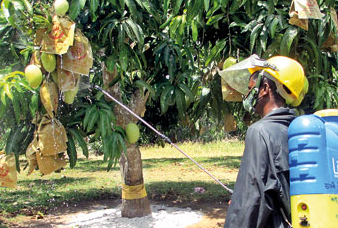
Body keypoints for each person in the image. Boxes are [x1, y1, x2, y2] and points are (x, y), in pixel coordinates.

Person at [218, 55, 308, 228]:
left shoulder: (260, 132)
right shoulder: (295, 129)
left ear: (265, 88)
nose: (247, 94)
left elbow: (252, 201)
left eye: (251, 88)